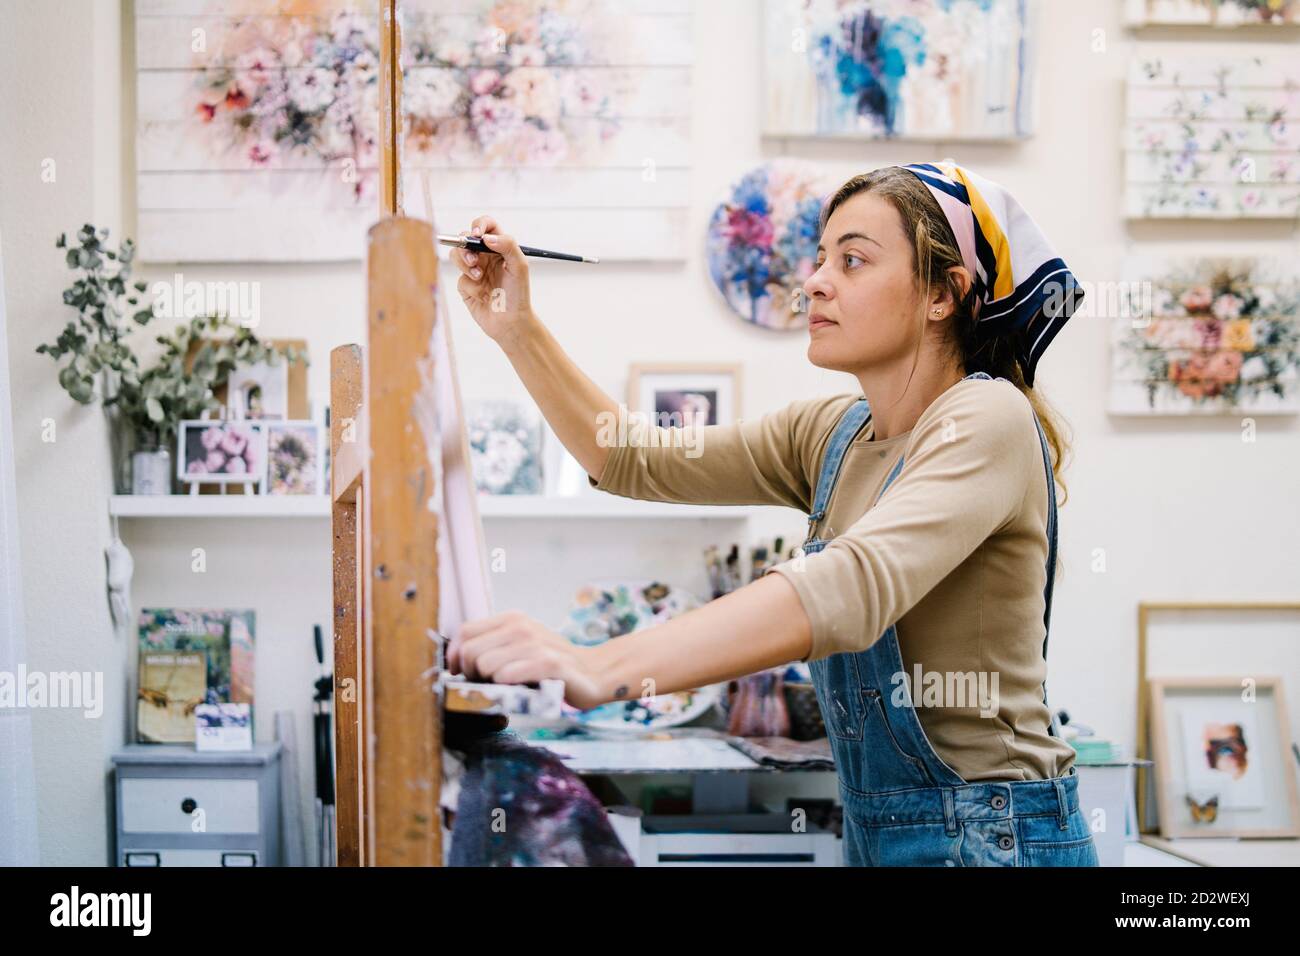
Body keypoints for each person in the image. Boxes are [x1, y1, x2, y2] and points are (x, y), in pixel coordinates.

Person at [446, 162, 1098, 866]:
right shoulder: (835, 434)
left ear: (944, 294)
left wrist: (599, 665)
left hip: (997, 838)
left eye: (852, 260)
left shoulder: (987, 415)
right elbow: (632, 456)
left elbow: (851, 586)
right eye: (820, 259)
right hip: (883, 834)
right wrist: (517, 329)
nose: (815, 281)